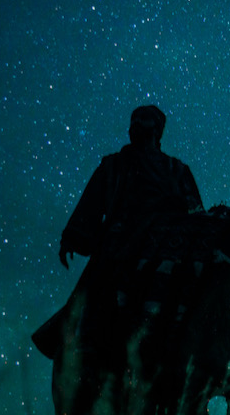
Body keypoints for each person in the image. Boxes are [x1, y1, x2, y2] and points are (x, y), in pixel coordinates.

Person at [32, 104, 203, 414]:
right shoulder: (113, 167)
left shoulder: (177, 171)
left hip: (166, 256)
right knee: (89, 319)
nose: (138, 126)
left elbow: (196, 217)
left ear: (157, 130)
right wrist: (73, 235)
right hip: (116, 253)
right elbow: (93, 202)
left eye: (145, 122)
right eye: (134, 121)